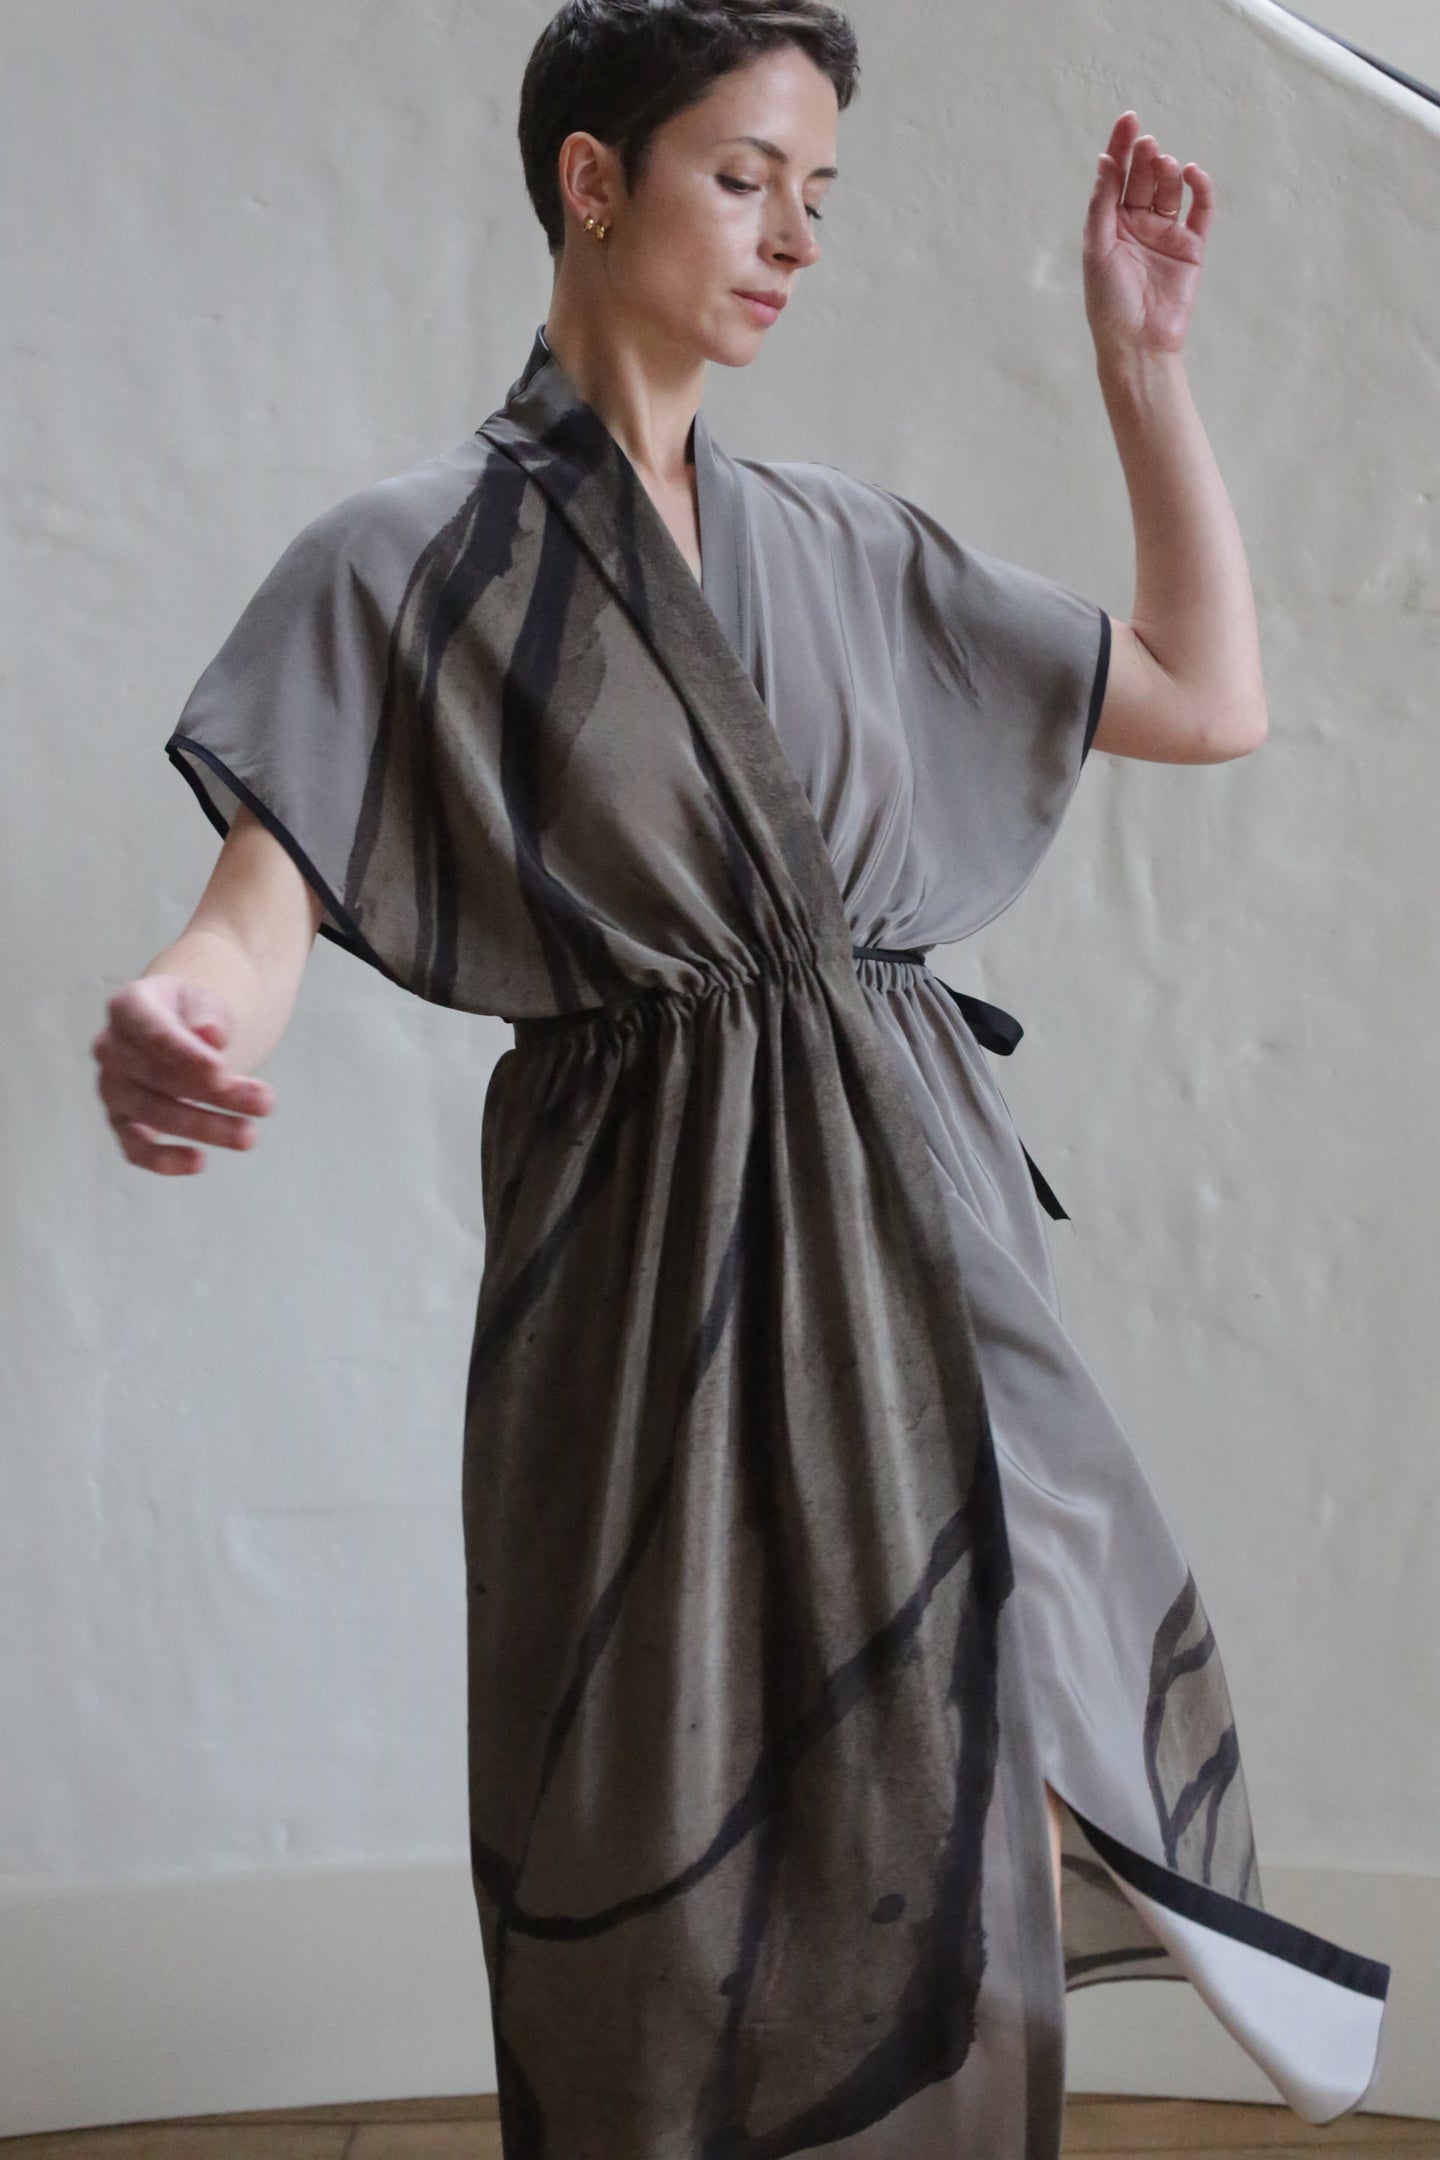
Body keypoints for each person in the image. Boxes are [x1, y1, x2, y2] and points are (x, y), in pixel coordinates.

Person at [93, 2, 1390, 2151]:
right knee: (652, 1850)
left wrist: (1143, 366)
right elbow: (262, 896)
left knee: (947, 1822)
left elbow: (1206, 689)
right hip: (640, 1305)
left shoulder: (856, 552)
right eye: (739, 177)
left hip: (919, 1271)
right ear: (591, 185)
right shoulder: (407, 563)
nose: (792, 237)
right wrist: (189, 1013)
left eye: (818, 195)